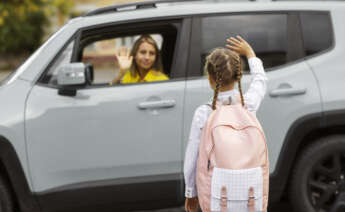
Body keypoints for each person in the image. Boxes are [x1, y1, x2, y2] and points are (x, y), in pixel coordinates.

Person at [183, 35, 268, 212]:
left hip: (216, 195)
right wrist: (250, 54)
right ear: (238, 77)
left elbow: (192, 157)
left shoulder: (204, 113)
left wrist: (191, 193)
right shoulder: (248, 106)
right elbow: (260, 81)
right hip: (251, 192)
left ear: (210, 78)